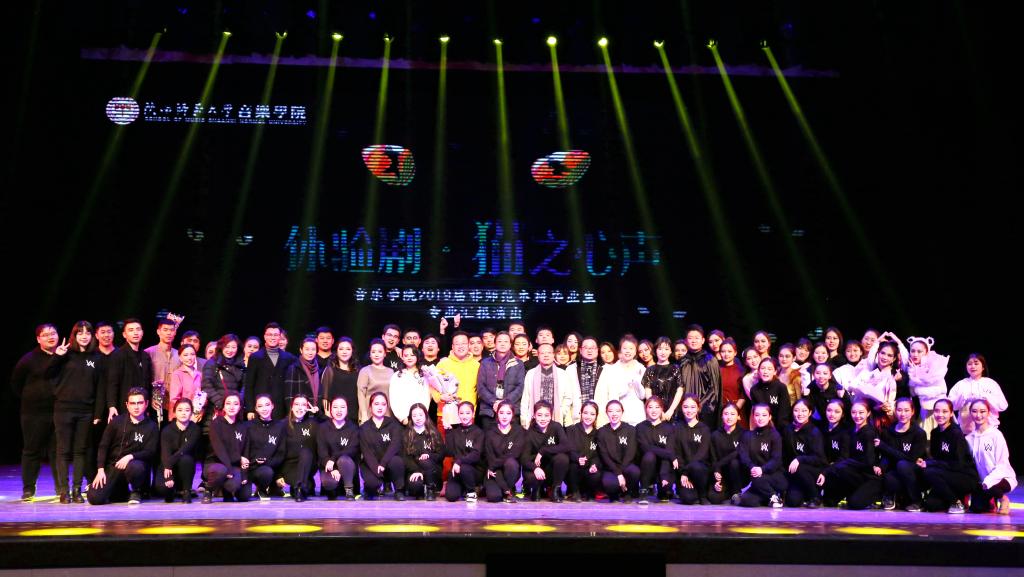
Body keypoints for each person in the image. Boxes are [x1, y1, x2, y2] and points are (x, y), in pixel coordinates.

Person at [52, 321, 103, 503]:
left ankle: (76, 489)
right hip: (63, 409)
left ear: (92, 336)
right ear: (74, 335)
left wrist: (97, 413)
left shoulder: (96, 358)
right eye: (80, 333)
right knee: (64, 450)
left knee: (80, 451)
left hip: (85, 411)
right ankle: (64, 491)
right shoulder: (65, 354)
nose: (84, 336)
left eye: (87, 333)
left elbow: (100, 387)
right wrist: (56, 356)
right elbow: (47, 373)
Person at [12, 323, 63, 501]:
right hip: (33, 414)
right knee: (32, 450)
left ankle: (61, 488)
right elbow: (16, 384)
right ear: (38, 339)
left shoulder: (63, 356)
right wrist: (33, 398)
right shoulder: (28, 359)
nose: (51, 337)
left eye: (53, 333)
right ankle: (28, 489)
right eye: (46, 334)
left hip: (58, 411)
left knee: (58, 451)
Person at [88, 388, 158, 505]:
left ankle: (136, 491)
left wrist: (130, 456)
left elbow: (151, 451)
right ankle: (121, 492)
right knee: (95, 498)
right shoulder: (117, 422)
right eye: (132, 403)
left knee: (136, 467)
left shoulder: (152, 426)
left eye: (140, 403)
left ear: (146, 404)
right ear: (127, 405)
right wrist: (100, 470)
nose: (136, 407)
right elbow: (103, 446)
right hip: (115, 465)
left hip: (136, 465)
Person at [917, 399, 977, 513]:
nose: (940, 414)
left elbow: (959, 464)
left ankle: (957, 503)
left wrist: (930, 464)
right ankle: (954, 497)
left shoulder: (956, 433)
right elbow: (937, 458)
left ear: (951, 414)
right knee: (931, 505)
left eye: (944, 411)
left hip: (964, 476)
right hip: (945, 475)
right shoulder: (935, 433)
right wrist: (925, 461)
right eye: (937, 411)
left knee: (929, 472)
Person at [820, 400, 882, 510]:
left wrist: (846, 463)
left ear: (868, 413)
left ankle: (875, 494)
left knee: (854, 503)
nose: (857, 416)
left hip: (869, 476)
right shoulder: (850, 431)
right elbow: (845, 456)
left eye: (861, 412)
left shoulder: (869, 433)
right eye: (854, 412)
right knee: (829, 501)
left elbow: (868, 462)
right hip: (854, 474)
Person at [965, 399, 1016, 515]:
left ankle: (1003, 498)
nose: (978, 415)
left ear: (988, 413)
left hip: (1001, 478)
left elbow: (1002, 464)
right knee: (977, 508)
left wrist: (988, 481)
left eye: (982, 411)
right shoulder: (968, 438)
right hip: (982, 482)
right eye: (974, 411)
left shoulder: (996, 435)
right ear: (970, 413)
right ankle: (990, 501)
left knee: (990, 487)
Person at [878, 397, 928, 511]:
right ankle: (892, 496)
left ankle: (917, 501)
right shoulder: (888, 431)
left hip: (912, 472)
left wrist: (885, 447)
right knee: (887, 475)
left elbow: (911, 459)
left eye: (906, 410)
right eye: (899, 410)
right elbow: (886, 456)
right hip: (894, 471)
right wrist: (881, 467)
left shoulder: (919, 433)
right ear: (895, 411)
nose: (903, 414)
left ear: (912, 411)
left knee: (903, 465)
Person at [243, 323, 297, 421]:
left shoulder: (289, 358)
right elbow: (249, 385)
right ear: (265, 336)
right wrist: (250, 409)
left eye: (275, 335)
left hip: (281, 408)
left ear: (279, 337)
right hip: (260, 407)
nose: (273, 337)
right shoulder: (255, 357)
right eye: (270, 334)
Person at [735, 404, 786, 508]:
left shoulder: (775, 435)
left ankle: (775, 497)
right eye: (757, 415)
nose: (760, 418)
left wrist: (762, 470)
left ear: (769, 417)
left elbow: (776, 459)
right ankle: (769, 497)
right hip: (756, 476)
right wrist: (752, 467)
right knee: (746, 500)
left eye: (764, 415)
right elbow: (744, 456)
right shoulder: (747, 435)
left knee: (757, 480)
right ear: (753, 417)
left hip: (774, 476)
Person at [203, 392, 249, 504]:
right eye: (228, 403)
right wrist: (231, 466)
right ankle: (208, 489)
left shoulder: (243, 426)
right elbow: (219, 450)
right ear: (223, 406)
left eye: (235, 404)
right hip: (215, 464)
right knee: (221, 471)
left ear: (240, 407)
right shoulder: (216, 423)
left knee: (244, 495)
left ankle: (226, 491)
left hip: (234, 465)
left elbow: (246, 451)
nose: (231, 407)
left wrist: (244, 474)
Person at [520, 400, 570, 502]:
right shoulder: (529, 433)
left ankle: (555, 489)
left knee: (562, 458)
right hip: (536, 469)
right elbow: (524, 459)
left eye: (546, 415)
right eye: (539, 415)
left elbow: (566, 446)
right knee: (533, 480)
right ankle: (537, 489)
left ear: (551, 416)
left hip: (550, 468)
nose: (543, 419)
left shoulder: (556, 427)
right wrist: (535, 468)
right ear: (534, 416)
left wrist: (543, 451)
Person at [359, 392, 405, 500]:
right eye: (376, 404)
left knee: (397, 461)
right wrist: (377, 468)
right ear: (370, 407)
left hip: (388, 463)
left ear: (386, 407)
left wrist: (383, 463)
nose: (380, 407)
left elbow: (394, 446)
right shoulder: (364, 428)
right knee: (372, 484)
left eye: (383, 404)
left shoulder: (394, 425)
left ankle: (399, 490)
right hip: (371, 465)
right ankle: (371, 487)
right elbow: (366, 453)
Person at [520, 343, 580, 428]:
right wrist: (524, 419)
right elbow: (526, 398)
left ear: (553, 355)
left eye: (549, 353)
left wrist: (561, 412)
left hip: (556, 418)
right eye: (542, 353)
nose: (546, 355)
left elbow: (568, 397)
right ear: (538, 356)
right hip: (534, 419)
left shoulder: (562, 374)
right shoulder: (531, 373)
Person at [477, 331, 526, 431]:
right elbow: (481, 387)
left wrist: (505, 403)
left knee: (511, 439)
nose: (502, 344)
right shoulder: (485, 363)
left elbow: (520, 387)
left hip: (511, 410)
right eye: (499, 341)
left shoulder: (518, 364)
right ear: (495, 344)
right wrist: (494, 402)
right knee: (489, 438)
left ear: (510, 344)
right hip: (489, 410)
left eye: (506, 341)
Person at [106, 319, 153, 423]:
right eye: (131, 330)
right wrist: (112, 406)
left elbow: (147, 383)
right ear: (124, 334)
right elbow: (112, 383)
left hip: (143, 408)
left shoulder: (145, 356)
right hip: (124, 407)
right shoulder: (118, 355)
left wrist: (147, 407)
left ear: (142, 332)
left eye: (138, 329)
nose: (135, 333)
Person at [947, 353, 1007, 434]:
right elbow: (950, 406)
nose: (973, 366)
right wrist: (963, 397)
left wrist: (986, 397)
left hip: (989, 431)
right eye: (969, 364)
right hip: (966, 431)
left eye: (976, 363)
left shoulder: (991, 383)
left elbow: (1003, 405)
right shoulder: (960, 384)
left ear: (983, 367)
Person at [782, 399, 826, 508]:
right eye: (796, 410)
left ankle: (816, 497)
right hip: (795, 472)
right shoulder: (788, 430)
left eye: (804, 410)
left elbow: (819, 458)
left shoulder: (814, 432)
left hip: (811, 471)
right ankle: (805, 494)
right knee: (792, 502)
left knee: (800, 468)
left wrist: (799, 459)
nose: (800, 414)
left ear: (810, 413)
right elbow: (784, 455)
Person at [594, 336, 647, 427]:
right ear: (620, 350)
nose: (628, 351)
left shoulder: (641, 368)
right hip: (619, 417)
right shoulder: (612, 370)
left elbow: (643, 395)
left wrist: (636, 382)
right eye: (625, 348)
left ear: (635, 351)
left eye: (631, 348)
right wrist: (627, 386)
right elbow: (611, 395)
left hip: (638, 415)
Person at [154, 399, 200, 503]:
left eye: (187, 410)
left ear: (191, 413)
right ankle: (171, 492)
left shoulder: (195, 429)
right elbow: (165, 453)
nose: (183, 413)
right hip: (168, 465)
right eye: (180, 410)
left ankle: (186, 491)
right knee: (162, 488)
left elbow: (185, 449)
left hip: (185, 466)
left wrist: (169, 464)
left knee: (186, 458)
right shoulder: (167, 430)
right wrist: (168, 470)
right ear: (174, 412)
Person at [243, 394, 287, 500]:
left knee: (267, 472)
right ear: (256, 409)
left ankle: (262, 489)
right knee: (243, 495)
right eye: (260, 406)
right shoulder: (247, 426)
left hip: (266, 468)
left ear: (272, 406)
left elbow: (281, 453)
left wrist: (274, 471)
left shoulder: (280, 426)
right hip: (248, 468)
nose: (264, 409)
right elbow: (243, 449)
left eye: (267, 405)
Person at [596, 400, 640, 503]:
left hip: (626, 465)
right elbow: (604, 456)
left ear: (622, 412)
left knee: (634, 472)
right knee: (609, 484)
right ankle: (614, 494)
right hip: (610, 468)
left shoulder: (630, 430)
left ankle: (628, 493)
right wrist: (618, 474)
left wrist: (620, 472)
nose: (614, 414)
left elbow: (630, 453)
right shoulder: (602, 432)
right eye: (611, 411)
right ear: (606, 413)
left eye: (617, 411)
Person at [317, 396, 361, 500]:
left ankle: (349, 489)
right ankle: (332, 491)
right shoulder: (323, 428)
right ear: (330, 410)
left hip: (347, 467)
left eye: (342, 407)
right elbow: (322, 452)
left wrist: (333, 459)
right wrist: (332, 468)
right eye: (335, 407)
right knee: (329, 483)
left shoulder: (354, 428)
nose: (339, 410)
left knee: (344, 459)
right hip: (329, 468)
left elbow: (352, 451)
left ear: (347, 409)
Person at [483, 401, 526, 503]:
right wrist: (492, 467)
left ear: (513, 414)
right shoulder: (490, 432)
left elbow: (514, 454)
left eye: (508, 413)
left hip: (510, 471)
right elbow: (490, 459)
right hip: (494, 473)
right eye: (501, 413)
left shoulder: (519, 431)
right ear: (497, 413)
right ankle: (506, 490)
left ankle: (509, 489)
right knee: (494, 497)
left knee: (511, 462)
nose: (504, 416)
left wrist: (493, 465)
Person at [678, 325, 721, 428]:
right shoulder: (682, 362)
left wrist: (698, 407)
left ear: (703, 340)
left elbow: (714, 389)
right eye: (690, 338)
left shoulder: (710, 360)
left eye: (697, 338)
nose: (693, 341)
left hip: (705, 412)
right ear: (686, 341)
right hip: (685, 411)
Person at [672, 395, 712, 505]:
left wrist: (686, 472)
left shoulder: (704, 429)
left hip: (700, 471)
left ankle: (702, 495)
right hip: (683, 473)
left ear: (698, 408)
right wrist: (683, 473)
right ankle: (691, 492)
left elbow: (702, 454)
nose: (689, 410)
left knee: (696, 466)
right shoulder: (676, 428)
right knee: (688, 499)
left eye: (693, 407)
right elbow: (677, 453)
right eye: (686, 407)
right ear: (681, 408)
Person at [277, 395, 318, 501]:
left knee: (306, 451)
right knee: (307, 486)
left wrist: (317, 413)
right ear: (291, 407)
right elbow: (277, 452)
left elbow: (329, 423)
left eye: (303, 405)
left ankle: (299, 487)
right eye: (297, 404)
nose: (300, 408)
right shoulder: (282, 425)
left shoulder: (313, 424)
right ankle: (300, 487)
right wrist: (278, 475)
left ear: (307, 408)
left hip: (307, 465)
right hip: (289, 467)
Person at [636, 396, 676, 504]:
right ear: (646, 409)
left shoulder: (669, 428)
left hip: (664, 467)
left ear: (662, 409)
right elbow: (645, 448)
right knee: (649, 455)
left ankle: (663, 489)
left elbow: (669, 450)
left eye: (657, 407)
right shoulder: (640, 427)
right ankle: (644, 491)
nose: (654, 410)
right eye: (650, 407)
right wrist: (671, 455)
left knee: (665, 493)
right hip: (646, 467)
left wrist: (664, 475)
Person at [905, 336, 948, 434]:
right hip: (924, 411)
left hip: (939, 411)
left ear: (926, 352)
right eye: (913, 351)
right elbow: (912, 393)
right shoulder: (911, 368)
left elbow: (941, 389)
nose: (915, 354)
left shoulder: (935, 367)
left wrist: (919, 389)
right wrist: (912, 372)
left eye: (919, 351)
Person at [444, 401, 485, 502]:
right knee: (451, 496)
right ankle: (463, 489)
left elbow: (476, 454)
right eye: (461, 413)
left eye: (467, 413)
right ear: (458, 414)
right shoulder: (455, 431)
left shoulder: (479, 432)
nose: (464, 416)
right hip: (457, 470)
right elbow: (449, 452)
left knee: (464, 467)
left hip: (473, 471)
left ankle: (471, 491)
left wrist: (459, 462)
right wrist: (448, 432)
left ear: (473, 414)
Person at [402, 403, 443, 500]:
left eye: (420, 415)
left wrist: (430, 456)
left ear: (426, 415)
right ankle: (420, 490)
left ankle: (430, 489)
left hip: (432, 471)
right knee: (415, 486)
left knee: (425, 461)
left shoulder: (434, 433)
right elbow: (405, 458)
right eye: (414, 415)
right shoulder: (406, 434)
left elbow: (441, 454)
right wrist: (417, 471)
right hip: (414, 470)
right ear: (411, 418)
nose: (418, 418)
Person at [708, 403, 747, 504]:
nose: (729, 417)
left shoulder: (744, 434)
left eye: (732, 414)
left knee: (734, 462)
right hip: (722, 474)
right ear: (721, 416)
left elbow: (738, 453)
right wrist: (716, 471)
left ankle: (736, 493)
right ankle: (727, 492)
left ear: (738, 416)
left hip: (739, 474)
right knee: (714, 498)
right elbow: (713, 457)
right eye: (726, 414)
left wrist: (718, 465)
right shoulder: (715, 435)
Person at [144, 318, 181, 423]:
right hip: (155, 404)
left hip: (174, 405)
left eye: (171, 330)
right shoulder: (148, 353)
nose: (169, 333)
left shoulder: (179, 355)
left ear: (175, 332)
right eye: (165, 330)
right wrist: (149, 397)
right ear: (158, 332)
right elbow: (144, 379)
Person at [390, 345, 436, 426]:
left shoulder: (424, 375)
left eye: (412, 355)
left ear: (417, 357)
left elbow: (427, 397)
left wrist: (421, 416)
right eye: (406, 355)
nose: (409, 358)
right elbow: (394, 398)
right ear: (402, 358)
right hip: (403, 419)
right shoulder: (397, 376)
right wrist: (402, 418)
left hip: (421, 419)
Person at [565, 401, 602, 502]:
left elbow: (599, 455)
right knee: (572, 465)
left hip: (589, 469)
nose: (588, 416)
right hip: (575, 470)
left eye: (592, 414)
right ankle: (575, 492)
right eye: (585, 413)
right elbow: (568, 450)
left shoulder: (599, 434)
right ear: (580, 413)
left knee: (596, 473)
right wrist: (577, 458)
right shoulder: (571, 430)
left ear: (596, 416)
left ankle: (590, 493)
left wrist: (594, 465)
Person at [201, 334, 245, 418]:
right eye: (227, 347)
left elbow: (244, 386)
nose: (230, 350)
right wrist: (222, 404)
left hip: (235, 411)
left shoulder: (241, 365)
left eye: (233, 347)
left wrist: (238, 402)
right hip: (216, 409)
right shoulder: (212, 363)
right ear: (221, 347)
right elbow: (206, 386)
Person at [642, 337, 681, 420]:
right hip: (654, 413)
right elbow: (648, 394)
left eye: (666, 349)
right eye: (660, 349)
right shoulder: (650, 370)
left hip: (672, 412)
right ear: (655, 351)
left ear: (671, 351)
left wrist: (671, 410)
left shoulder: (676, 368)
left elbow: (680, 391)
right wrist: (658, 411)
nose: (663, 352)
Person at [284, 339, 323, 422]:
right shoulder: (294, 368)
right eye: (307, 349)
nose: (310, 352)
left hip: (315, 412)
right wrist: (292, 415)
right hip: (299, 414)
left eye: (313, 349)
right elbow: (289, 396)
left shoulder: (318, 368)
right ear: (301, 350)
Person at [747, 358, 792, 431]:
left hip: (780, 428)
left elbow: (784, 413)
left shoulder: (781, 387)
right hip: (762, 427)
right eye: (763, 368)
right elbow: (756, 413)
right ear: (758, 371)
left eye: (769, 369)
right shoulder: (754, 390)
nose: (765, 371)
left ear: (775, 372)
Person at [357, 339, 395, 423]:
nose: (376, 354)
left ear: (385, 354)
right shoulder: (365, 370)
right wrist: (364, 414)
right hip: (369, 414)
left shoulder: (391, 371)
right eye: (373, 352)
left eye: (380, 352)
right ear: (370, 354)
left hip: (387, 413)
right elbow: (361, 394)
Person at [320, 337, 360, 417]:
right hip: (335, 416)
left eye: (348, 349)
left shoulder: (358, 370)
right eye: (341, 349)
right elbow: (325, 396)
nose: (344, 352)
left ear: (352, 351)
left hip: (354, 415)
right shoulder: (330, 370)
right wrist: (328, 415)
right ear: (336, 351)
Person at [805, 363, 848, 428]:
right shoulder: (810, 389)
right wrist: (805, 396)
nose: (821, 376)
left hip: (839, 423)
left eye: (825, 373)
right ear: (813, 375)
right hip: (820, 423)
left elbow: (847, 408)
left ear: (830, 376)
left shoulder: (838, 389)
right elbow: (809, 410)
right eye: (818, 373)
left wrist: (843, 397)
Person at [717, 339, 747, 429]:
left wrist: (735, 410)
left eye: (729, 351)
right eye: (723, 351)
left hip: (738, 411)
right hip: (721, 412)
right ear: (720, 353)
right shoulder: (717, 370)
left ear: (735, 353)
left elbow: (744, 394)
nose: (726, 354)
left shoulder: (741, 371)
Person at [565, 337, 603, 404]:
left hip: (600, 409)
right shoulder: (571, 370)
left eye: (592, 348)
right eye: (586, 347)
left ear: (597, 350)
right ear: (580, 350)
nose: (589, 350)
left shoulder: (605, 370)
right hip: (577, 409)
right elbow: (567, 396)